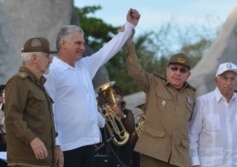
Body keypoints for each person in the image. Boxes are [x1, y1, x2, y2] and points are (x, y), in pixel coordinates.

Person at [44, 8, 140, 167]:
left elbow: (107, 51)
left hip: (88, 145)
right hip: (66, 147)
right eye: (78, 43)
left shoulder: (84, 66)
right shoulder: (52, 70)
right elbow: (49, 110)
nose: (82, 47)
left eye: (83, 43)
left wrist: (129, 26)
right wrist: (56, 144)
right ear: (63, 44)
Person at [125, 30, 196, 167]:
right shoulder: (154, 83)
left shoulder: (191, 94)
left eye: (182, 70)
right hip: (154, 153)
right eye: (174, 68)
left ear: (188, 75)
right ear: (167, 70)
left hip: (179, 157)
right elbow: (135, 71)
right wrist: (129, 43)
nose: (177, 73)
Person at [4, 37, 63, 167]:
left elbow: (44, 122)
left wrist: (56, 147)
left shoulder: (38, 84)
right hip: (26, 162)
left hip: (43, 162)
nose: (51, 61)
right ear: (34, 58)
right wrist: (32, 139)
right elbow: (12, 118)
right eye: (47, 56)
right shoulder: (18, 82)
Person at [189, 62, 237, 167]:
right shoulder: (202, 102)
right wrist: (195, 163)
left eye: (232, 79)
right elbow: (192, 134)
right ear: (216, 80)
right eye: (225, 78)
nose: (228, 82)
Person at [111, 84, 136, 167]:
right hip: (111, 152)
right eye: (111, 94)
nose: (114, 96)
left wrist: (121, 114)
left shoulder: (128, 112)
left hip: (125, 151)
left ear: (121, 97)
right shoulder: (107, 115)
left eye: (116, 94)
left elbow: (132, 128)